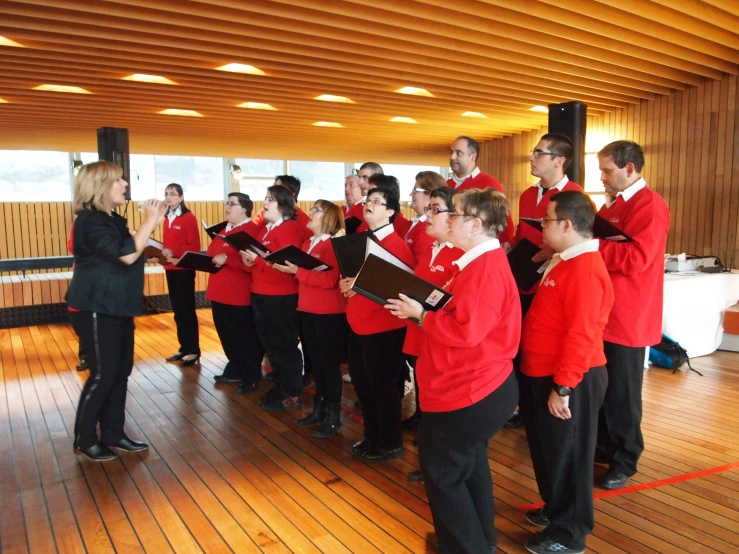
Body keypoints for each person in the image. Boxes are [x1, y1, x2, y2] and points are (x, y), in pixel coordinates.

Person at [386, 188, 520, 554]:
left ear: (475, 225)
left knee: (443, 475)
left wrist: (422, 316)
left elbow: (467, 332)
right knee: (468, 469)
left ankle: (465, 547)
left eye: (454, 214)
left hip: (471, 389)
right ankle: (478, 543)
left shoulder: (485, 269)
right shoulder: (475, 263)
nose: (447, 220)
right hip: (468, 385)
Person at [519, 190, 614, 554]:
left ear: (567, 225)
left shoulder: (586, 270)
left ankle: (569, 533)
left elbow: (582, 334)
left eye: (546, 219)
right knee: (550, 452)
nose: (541, 225)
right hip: (546, 371)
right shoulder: (565, 259)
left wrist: (563, 387)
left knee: (570, 457)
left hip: (572, 377)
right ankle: (555, 509)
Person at [66, 160, 166, 462]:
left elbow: (132, 251)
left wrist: (152, 246)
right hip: (97, 305)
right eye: (119, 180)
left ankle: (113, 432)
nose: (125, 185)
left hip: (118, 305)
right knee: (103, 373)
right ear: (100, 187)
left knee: (120, 371)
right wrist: (149, 221)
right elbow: (125, 255)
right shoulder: (89, 220)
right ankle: (84, 438)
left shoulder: (112, 220)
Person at [595, 140, 670, 490]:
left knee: (623, 393)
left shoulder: (649, 205)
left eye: (608, 170)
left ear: (630, 168)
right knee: (603, 387)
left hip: (628, 315)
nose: (603, 177)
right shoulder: (613, 204)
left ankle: (626, 459)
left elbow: (637, 259)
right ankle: (605, 448)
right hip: (604, 311)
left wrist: (592, 245)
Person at [504, 133, 584, 429]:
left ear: (559, 161)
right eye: (533, 152)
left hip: (552, 280)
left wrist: (552, 248)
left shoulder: (575, 195)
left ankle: (545, 406)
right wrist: (510, 245)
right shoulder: (528, 194)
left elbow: (583, 238)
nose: (532, 158)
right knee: (523, 346)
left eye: (539, 153)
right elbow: (520, 231)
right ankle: (525, 408)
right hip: (523, 278)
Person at [339, 186, 416, 462]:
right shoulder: (359, 239)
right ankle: (371, 436)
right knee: (362, 384)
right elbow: (352, 276)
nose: (369, 204)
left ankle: (391, 442)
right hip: (358, 323)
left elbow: (400, 288)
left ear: (391, 211)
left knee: (383, 388)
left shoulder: (398, 246)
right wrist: (347, 284)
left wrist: (359, 285)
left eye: (377, 202)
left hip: (384, 329)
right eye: (368, 200)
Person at [396, 186, 464, 482]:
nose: (427, 214)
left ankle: (439, 464)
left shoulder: (459, 253)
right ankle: (430, 458)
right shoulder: (431, 247)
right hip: (421, 334)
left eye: (436, 208)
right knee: (425, 399)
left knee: (441, 407)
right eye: (429, 207)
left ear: (453, 216)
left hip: (440, 340)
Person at [272, 200, 347, 437]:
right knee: (316, 365)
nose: (310, 213)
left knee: (329, 367)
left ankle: (333, 417)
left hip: (328, 313)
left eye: (316, 210)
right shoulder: (307, 243)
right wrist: (292, 271)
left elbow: (329, 280)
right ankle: (319, 410)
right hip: (308, 309)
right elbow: (305, 278)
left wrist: (298, 272)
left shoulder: (334, 245)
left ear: (328, 218)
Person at [241, 185, 304, 411]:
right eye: (265, 197)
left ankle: (291, 392)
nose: (264, 203)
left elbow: (285, 266)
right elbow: (260, 261)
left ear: (284, 205)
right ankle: (280, 385)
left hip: (281, 297)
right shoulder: (266, 229)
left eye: (270, 199)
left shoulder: (289, 229)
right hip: (261, 294)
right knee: (271, 346)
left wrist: (256, 260)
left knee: (284, 347)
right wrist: (249, 261)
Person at [206, 193, 264, 393]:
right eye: (227, 203)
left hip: (238, 295)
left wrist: (228, 260)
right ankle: (236, 368)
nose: (227, 207)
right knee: (227, 336)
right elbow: (213, 252)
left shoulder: (251, 231)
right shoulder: (225, 229)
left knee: (245, 338)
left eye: (232, 203)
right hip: (218, 293)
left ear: (244, 209)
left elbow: (252, 263)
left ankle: (251, 375)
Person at [160, 183, 201, 366]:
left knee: (186, 311)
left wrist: (174, 255)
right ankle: (184, 347)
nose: (169, 197)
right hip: (170, 268)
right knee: (178, 311)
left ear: (181, 197)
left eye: (173, 194)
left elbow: (194, 248)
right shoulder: (167, 217)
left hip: (183, 270)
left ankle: (193, 350)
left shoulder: (188, 218)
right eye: (167, 194)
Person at [447, 135, 514, 244]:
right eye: (451, 152)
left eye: (459, 153)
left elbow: (503, 221)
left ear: (473, 156)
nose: (453, 157)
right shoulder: (447, 184)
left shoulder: (488, 183)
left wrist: (505, 243)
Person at [404, 171, 446, 261]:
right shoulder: (413, 223)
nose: (411, 194)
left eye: (415, 190)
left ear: (430, 195)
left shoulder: (430, 229)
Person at [66, 218, 87, 371]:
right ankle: (86, 356)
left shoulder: (113, 220)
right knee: (84, 313)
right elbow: (71, 245)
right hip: (86, 272)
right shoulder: (81, 220)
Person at [344, 162, 384, 227]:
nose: (360, 182)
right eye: (359, 178)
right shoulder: (355, 209)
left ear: (378, 180)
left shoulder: (390, 212)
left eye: (365, 177)